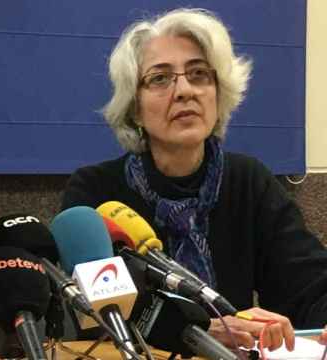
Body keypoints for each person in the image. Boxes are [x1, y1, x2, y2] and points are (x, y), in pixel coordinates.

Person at [61, 8, 327, 352]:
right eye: (160, 78)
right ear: (135, 108)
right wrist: (195, 330)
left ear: (219, 92)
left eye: (199, 74)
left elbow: (308, 282)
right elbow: (96, 309)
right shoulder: (95, 192)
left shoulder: (248, 181)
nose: (185, 90)